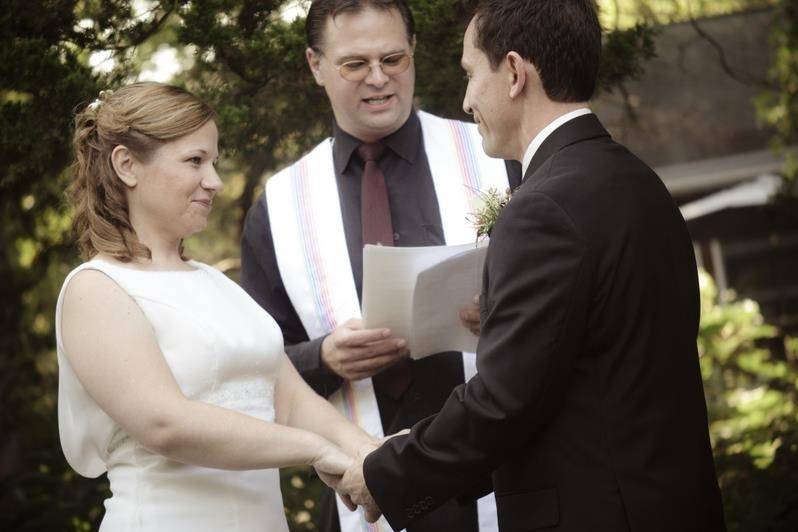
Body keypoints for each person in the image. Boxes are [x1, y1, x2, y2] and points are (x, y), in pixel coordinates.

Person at [339, 1, 727, 531]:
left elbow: (504, 403)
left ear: (515, 73)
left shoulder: (542, 208)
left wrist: (385, 472)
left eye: (472, 74)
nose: (467, 98)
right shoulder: (638, 181)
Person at [240, 1, 521, 530]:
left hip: (499, 479)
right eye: (354, 64)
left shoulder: (494, 157)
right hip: (360, 492)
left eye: (393, 58)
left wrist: (508, 311)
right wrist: (323, 358)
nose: (379, 79)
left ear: (413, 51)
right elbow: (254, 368)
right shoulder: (279, 206)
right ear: (315, 65)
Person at [56, 82, 377, 531]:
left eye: (214, 162)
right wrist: (314, 450)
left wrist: (370, 453)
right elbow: (166, 424)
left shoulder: (216, 284)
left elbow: (287, 397)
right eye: (195, 161)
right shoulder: (96, 288)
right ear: (127, 165)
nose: (215, 181)